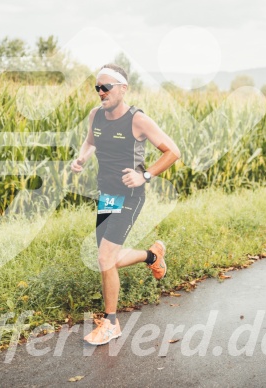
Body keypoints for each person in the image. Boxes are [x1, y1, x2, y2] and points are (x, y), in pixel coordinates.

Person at [71, 63, 181, 345]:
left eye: (105, 87)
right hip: (106, 194)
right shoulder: (96, 115)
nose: (100, 92)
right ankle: (152, 256)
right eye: (97, 87)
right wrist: (82, 157)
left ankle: (111, 322)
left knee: (105, 259)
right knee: (108, 260)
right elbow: (89, 141)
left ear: (122, 88)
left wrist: (144, 175)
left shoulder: (137, 120)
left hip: (130, 196)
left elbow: (173, 152)